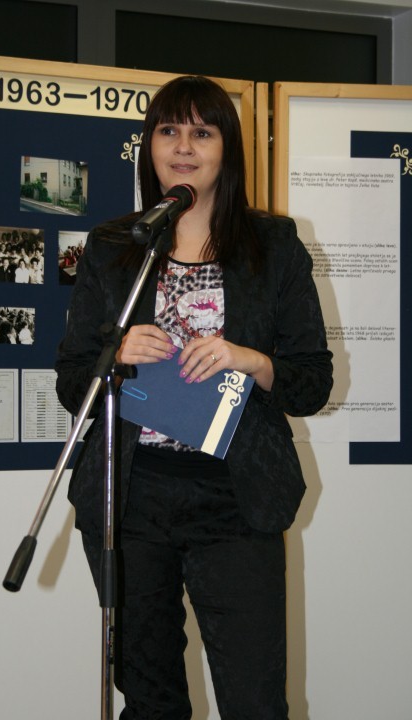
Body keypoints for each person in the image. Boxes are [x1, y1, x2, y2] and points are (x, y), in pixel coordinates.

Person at [55, 75, 333, 720]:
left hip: (235, 498)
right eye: (169, 131)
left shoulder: (274, 246)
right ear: (149, 146)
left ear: (226, 148)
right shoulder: (113, 247)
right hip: (130, 496)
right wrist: (114, 357)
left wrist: (251, 360)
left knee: (255, 702)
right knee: (150, 701)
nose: (184, 147)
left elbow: (311, 383)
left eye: (202, 132)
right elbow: (72, 382)